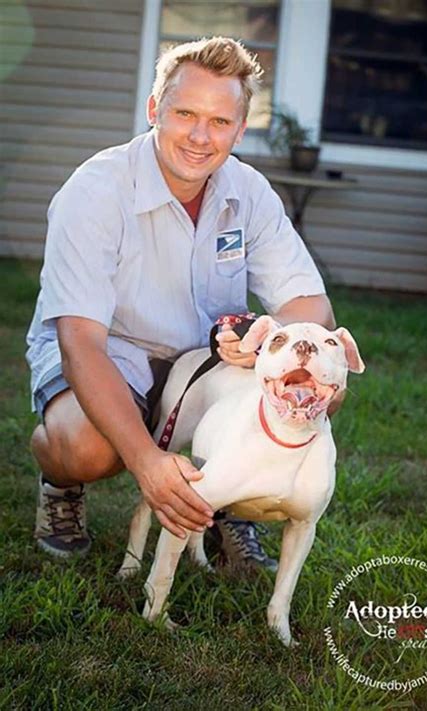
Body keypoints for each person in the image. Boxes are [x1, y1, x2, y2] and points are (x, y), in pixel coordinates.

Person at [26, 37, 337, 567]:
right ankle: (60, 482)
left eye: (220, 122)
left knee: (311, 384)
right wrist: (147, 462)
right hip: (110, 349)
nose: (200, 136)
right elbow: (81, 343)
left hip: (204, 361)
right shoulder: (95, 191)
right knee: (88, 448)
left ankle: (231, 505)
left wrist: (263, 339)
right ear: (154, 110)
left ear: (240, 130)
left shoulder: (250, 191)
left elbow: (313, 309)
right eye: (185, 113)